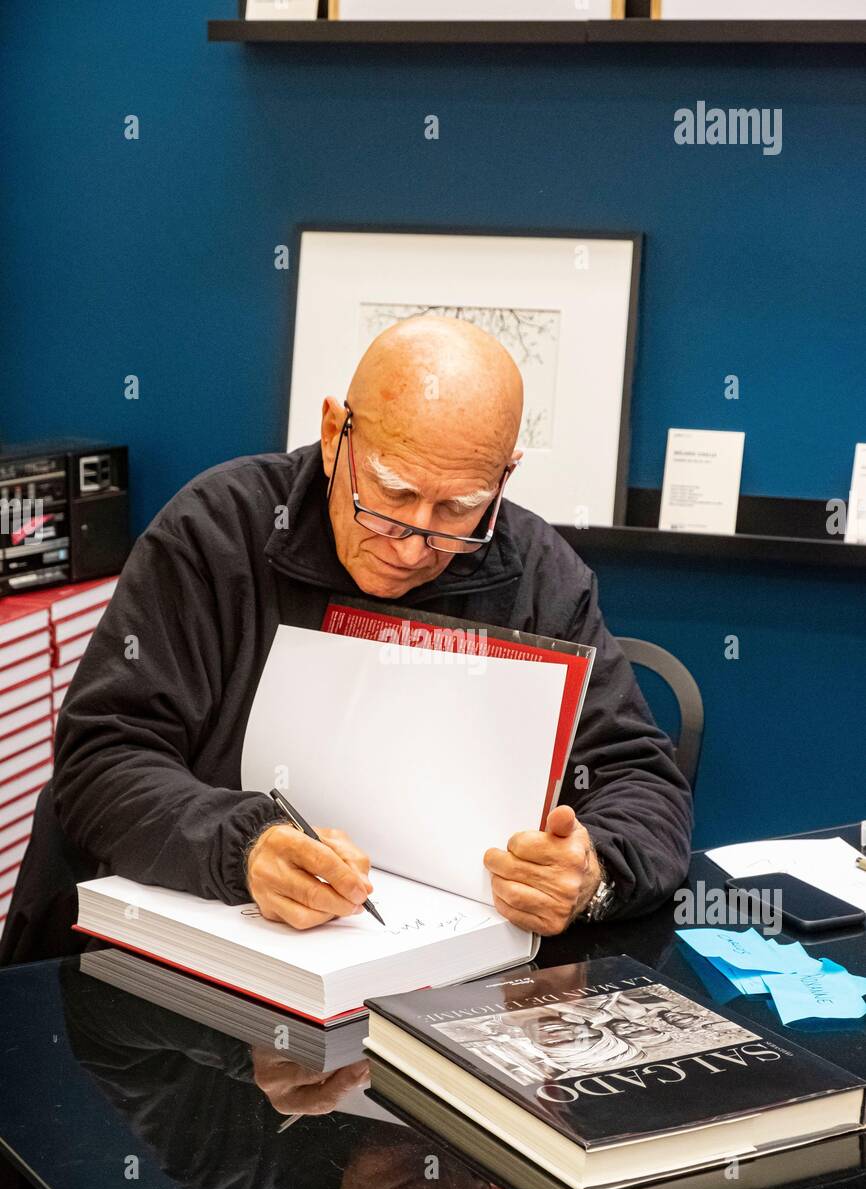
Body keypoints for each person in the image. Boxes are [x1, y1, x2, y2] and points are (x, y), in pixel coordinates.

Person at [35, 315, 691, 952]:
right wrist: (244, 848)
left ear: (504, 477)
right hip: (187, 972)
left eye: (458, 512)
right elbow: (101, 762)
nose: (411, 547)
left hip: (436, 970)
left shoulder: (539, 574)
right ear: (332, 433)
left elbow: (642, 781)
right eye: (389, 497)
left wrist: (592, 874)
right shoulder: (214, 535)